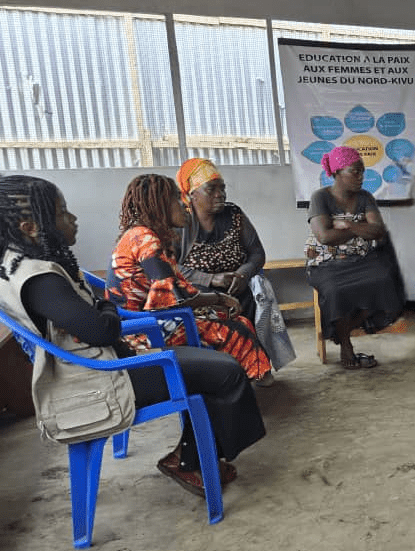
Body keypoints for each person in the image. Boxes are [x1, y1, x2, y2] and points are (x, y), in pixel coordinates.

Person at [0, 175, 265, 496]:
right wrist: (106, 308)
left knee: (214, 366)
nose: (73, 219)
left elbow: (99, 316)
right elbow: (102, 327)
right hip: (102, 381)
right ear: (30, 227)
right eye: (61, 213)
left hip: (105, 364)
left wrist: (103, 308)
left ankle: (194, 454)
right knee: (224, 371)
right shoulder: (39, 278)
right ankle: (190, 460)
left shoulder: (21, 266)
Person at [106, 174, 274, 385]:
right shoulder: (145, 240)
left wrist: (217, 300)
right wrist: (220, 299)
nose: (184, 205)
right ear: (161, 205)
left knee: (232, 318)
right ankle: (242, 379)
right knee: (235, 328)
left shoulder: (145, 235)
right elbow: (175, 295)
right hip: (141, 333)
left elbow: (176, 288)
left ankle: (241, 378)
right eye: (177, 199)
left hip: (145, 321)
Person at [306, 145, 406, 369]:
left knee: (385, 282)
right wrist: (360, 228)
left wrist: (347, 224)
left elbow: (378, 230)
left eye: (363, 171)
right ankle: (346, 345)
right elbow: (325, 237)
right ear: (337, 173)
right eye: (355, 171)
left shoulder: (365, 197)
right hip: (326, 263)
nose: (361, 177)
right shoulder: (320, 197)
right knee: (335, 290)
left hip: (361, 259)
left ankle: (342, 331)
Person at [176, 157, 265, 322]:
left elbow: (257, 253)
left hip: (239, 288)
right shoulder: (180, 222)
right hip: (200, 296)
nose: (220, 194)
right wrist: (211, 279)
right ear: (192, 193)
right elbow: (169, 266)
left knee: (255, 295)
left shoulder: (234, 214)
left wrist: (243, 275)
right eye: (211, 189)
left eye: (222, 188)